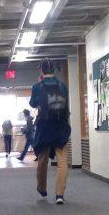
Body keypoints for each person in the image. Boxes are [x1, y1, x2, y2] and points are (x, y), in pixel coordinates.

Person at [29, 59, 71, 204]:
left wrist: (39, 84)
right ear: (54, 70)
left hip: (45, 126)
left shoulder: (37, 86)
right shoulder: (62, 86)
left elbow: (33, 103)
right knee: (62, 160)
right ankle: (60, 194)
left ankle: (42, 187)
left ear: (42, 71)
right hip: (61, 126)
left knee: (43, 158)